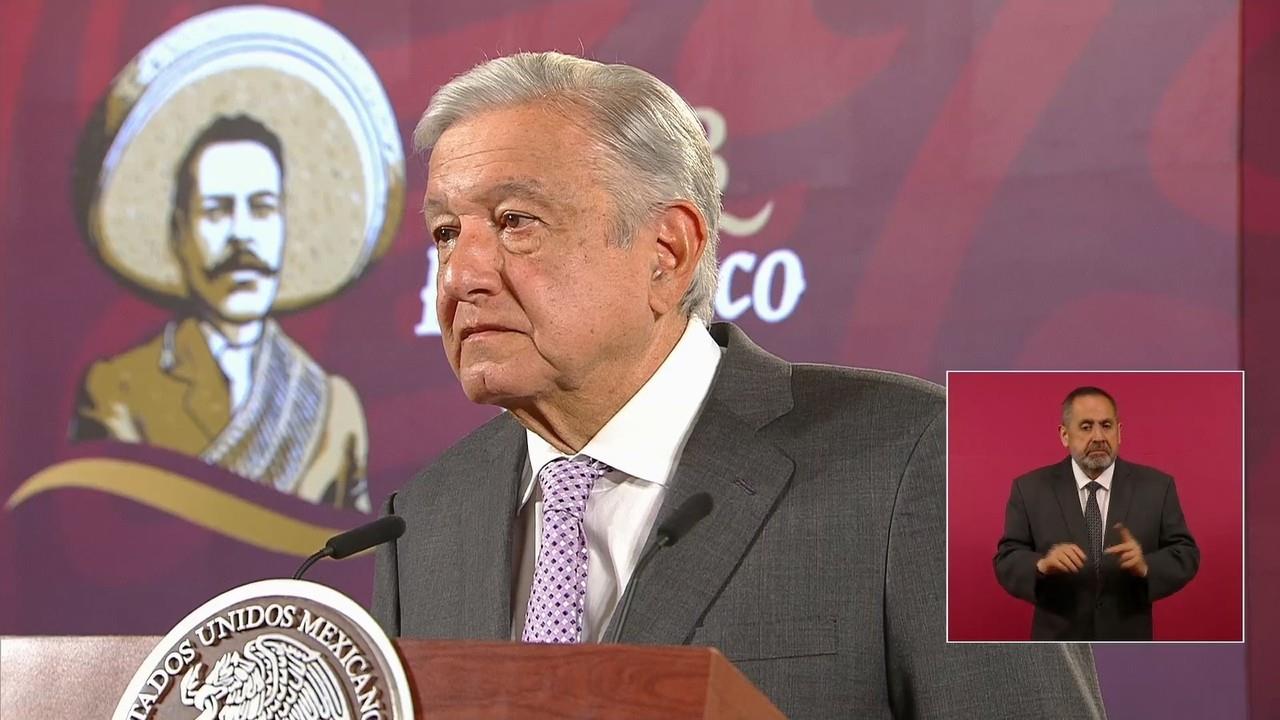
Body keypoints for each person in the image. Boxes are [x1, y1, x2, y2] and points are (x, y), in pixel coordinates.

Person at [374, 52, 1105, 718]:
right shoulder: (426, 521)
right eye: (445, 233)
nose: (461, 276)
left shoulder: (929, 462)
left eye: (515, 222)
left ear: (668, 251)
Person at [71, 115, 371, 511]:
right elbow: (107, 544)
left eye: (262, 208)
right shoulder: (118, 392)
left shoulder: (332, 406)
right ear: (179, 232)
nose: (241, 234)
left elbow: (356, 563)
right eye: (216, 211)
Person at [994, 386, 1199, 640]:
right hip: (1059, 646)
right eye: (1086, 427)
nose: (1099, 436)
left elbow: (1185, 554)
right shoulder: (1030, 489)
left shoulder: (1157, 487)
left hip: (1129, 642)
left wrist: (1147, 566)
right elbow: (1007, 559)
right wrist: (1041, 565)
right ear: (1064, 435)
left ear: (1119, 432)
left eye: (1106, 425)